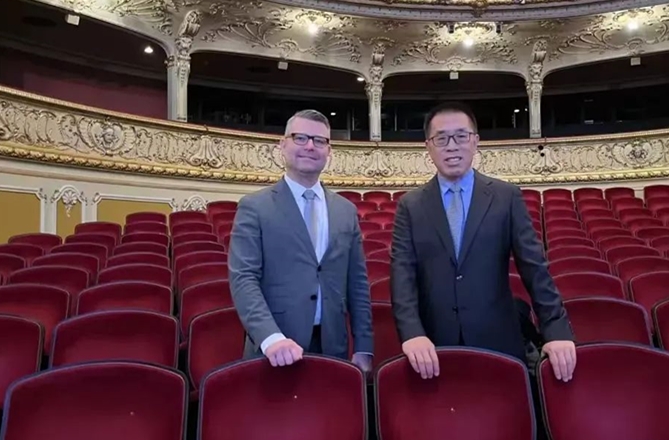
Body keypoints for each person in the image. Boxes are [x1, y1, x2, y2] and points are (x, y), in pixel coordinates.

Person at [390, 102, 576, 382]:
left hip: (498, 340)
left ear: (475, 141)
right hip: (432, 347)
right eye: (441, 138)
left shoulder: (506, 196)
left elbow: (534, 268)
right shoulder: (410, 205)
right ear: (428, 146)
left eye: (461, 136)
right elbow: (402, 275)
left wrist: (556, 331)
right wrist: (412, 333)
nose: (452, 146)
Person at [228, 109, 373, 373]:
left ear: (329, 151)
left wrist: (363, 346)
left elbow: (358, 284)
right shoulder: (254, 207)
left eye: (319, 140)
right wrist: (271, 338)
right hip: (273, 350)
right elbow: (244, 278)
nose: (310, 146)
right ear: (283, 145)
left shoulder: (346, 210)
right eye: (300, 138)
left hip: (333, 347)